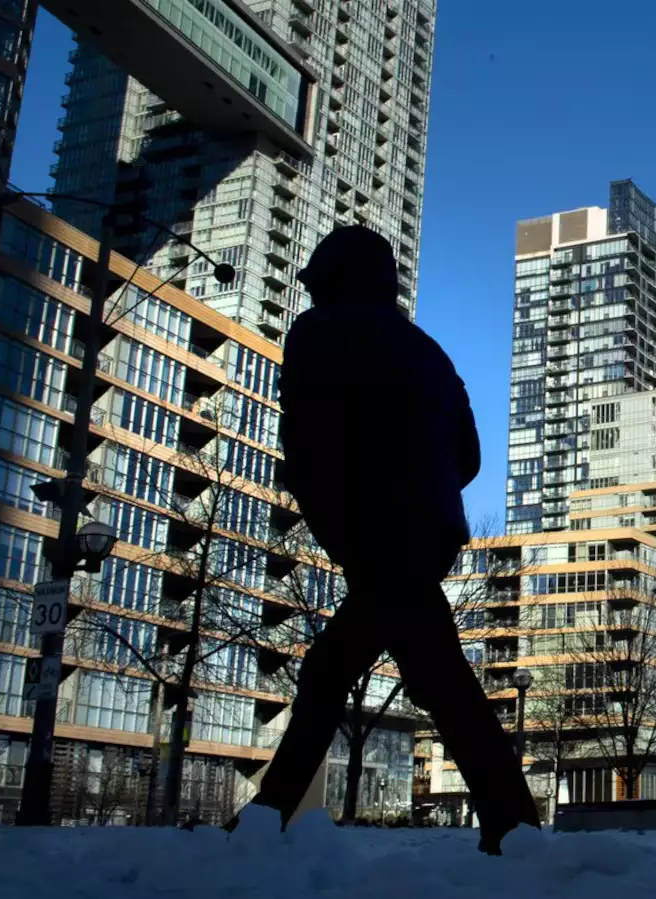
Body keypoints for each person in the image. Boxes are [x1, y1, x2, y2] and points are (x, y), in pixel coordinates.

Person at [227, 225, 540, 855]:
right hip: (428, 532)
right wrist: (425, 480)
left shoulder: (317, 334)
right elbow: (470, 456)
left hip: (375, 532)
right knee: (377, 674)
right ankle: (512, 827)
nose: (311, 297)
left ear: (334, 282)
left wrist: (342, 508)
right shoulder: (429, 351)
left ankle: (514, 827)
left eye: (317, 285)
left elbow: (307, 442)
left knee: (420, 680)